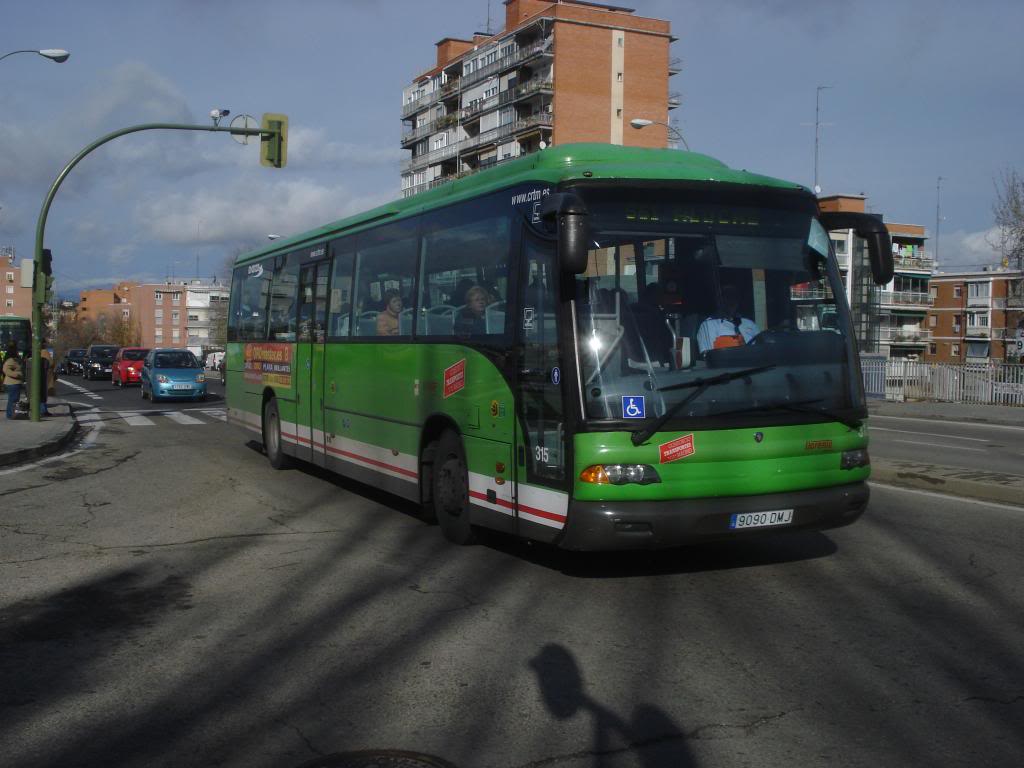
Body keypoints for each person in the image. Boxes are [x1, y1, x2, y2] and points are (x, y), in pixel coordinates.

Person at [696, 284, 760, 354]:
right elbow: (709, 356)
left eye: (734, 297)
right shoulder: (708, 325)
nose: (731, 301)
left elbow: (761, 348)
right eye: (727, 297)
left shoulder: (749, 323)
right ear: (719, 301)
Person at [3, 343, 25, 419]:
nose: (18, 352)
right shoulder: (10, 360)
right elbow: (5, 369)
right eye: (17, 350)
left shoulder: (15, 359)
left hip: (15, 383)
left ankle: (11, 414)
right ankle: (10, 414)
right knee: (13, 399)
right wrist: (17, 375)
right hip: (12, 383)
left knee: (14, 399)